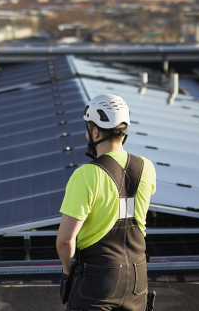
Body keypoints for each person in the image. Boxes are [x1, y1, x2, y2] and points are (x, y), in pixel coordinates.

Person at [57, 94, 157, 311]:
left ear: (95, 131)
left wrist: (68, 273)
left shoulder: (86, 175)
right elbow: (126, 209)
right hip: (137, 278)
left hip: (97, 280)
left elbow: (66, 240)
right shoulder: (146, 167)